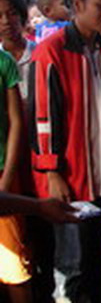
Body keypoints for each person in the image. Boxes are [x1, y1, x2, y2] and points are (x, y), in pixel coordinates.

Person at [28, 0, 101, 302]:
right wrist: (52, 172)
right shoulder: (51, 52)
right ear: (78, 3)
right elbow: (43, 119)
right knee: (73, 269)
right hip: (71, 178)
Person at [0, 47, 30, 302]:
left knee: (14, 266)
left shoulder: (4, 62)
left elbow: (16, 121)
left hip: (3, 172)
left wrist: (7, 178)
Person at [0, 0, 36, 103]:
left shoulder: (39, 52)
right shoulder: (2, 61)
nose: (6, 21)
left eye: (12, 13)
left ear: (22, 15)